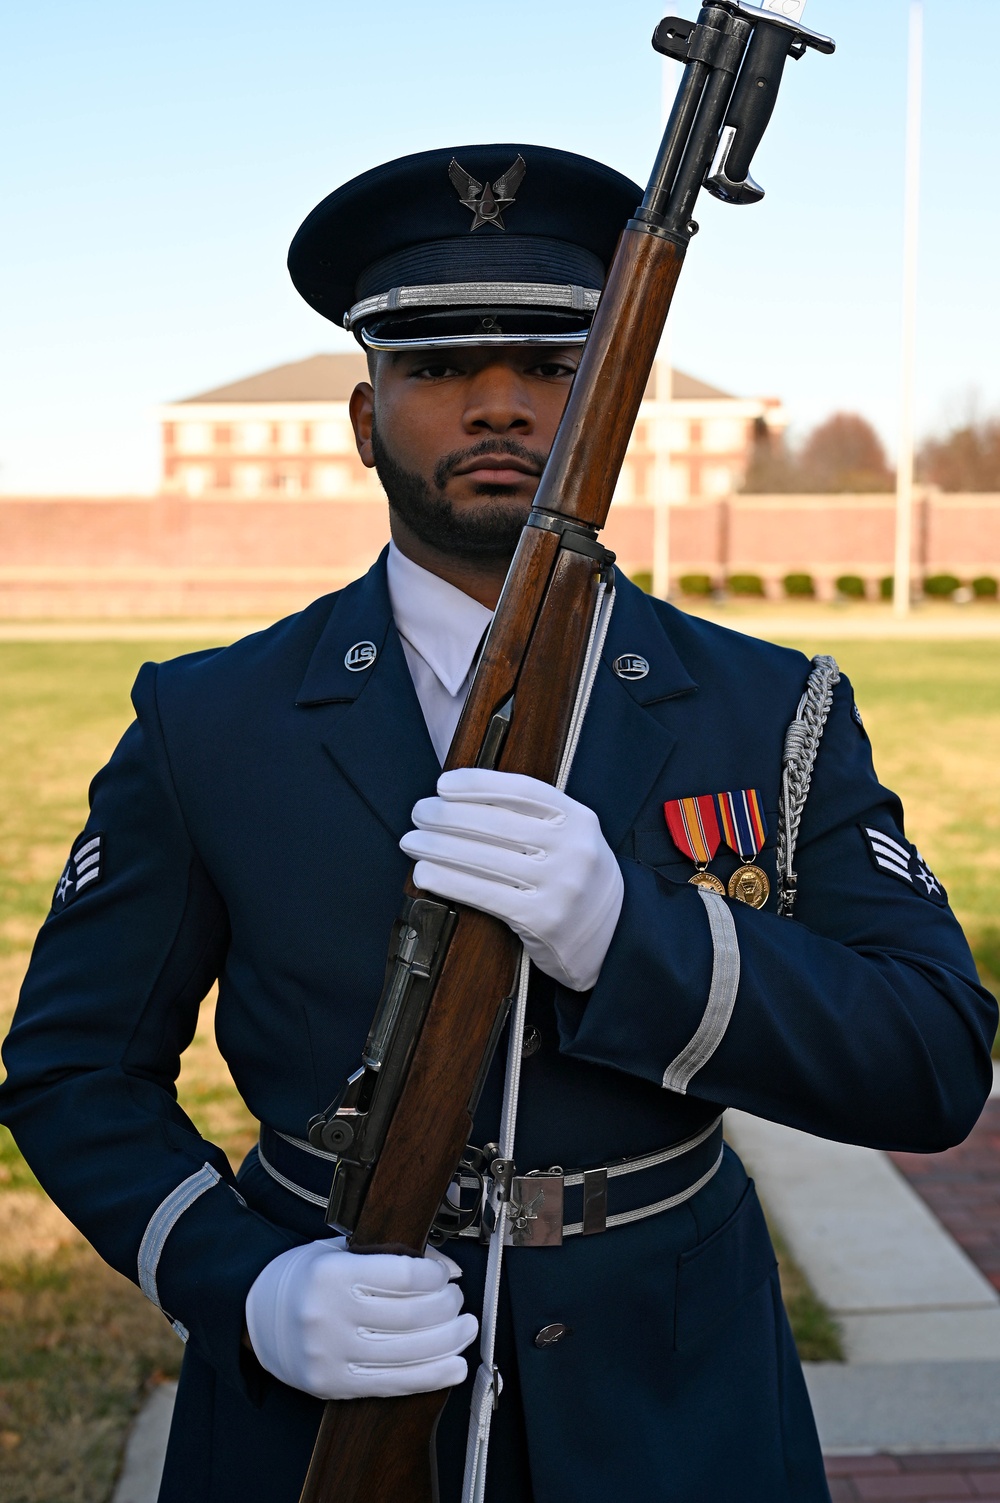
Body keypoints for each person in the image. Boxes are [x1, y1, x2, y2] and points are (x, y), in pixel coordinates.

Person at [0, 143, 995, 1503]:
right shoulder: (210, 720)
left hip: (670, 1384)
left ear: (615, 400)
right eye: (435, 367)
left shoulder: (767, 708)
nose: (496, 405)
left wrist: (629, 934)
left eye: (548, 366)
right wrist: (246, 1283)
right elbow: (75, 1071)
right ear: (363, 417)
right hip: (325, 1371)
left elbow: (933, 1061)